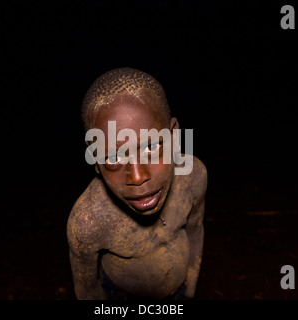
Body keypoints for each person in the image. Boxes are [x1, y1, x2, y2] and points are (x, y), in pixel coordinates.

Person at [67, 67, 207, 300]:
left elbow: (196, 231)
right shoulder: (87, 223)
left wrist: (190, 290)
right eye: (113, 158)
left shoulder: (194, 178)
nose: (138, 176)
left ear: (174, 136)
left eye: (151, 147)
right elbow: (87, 290)